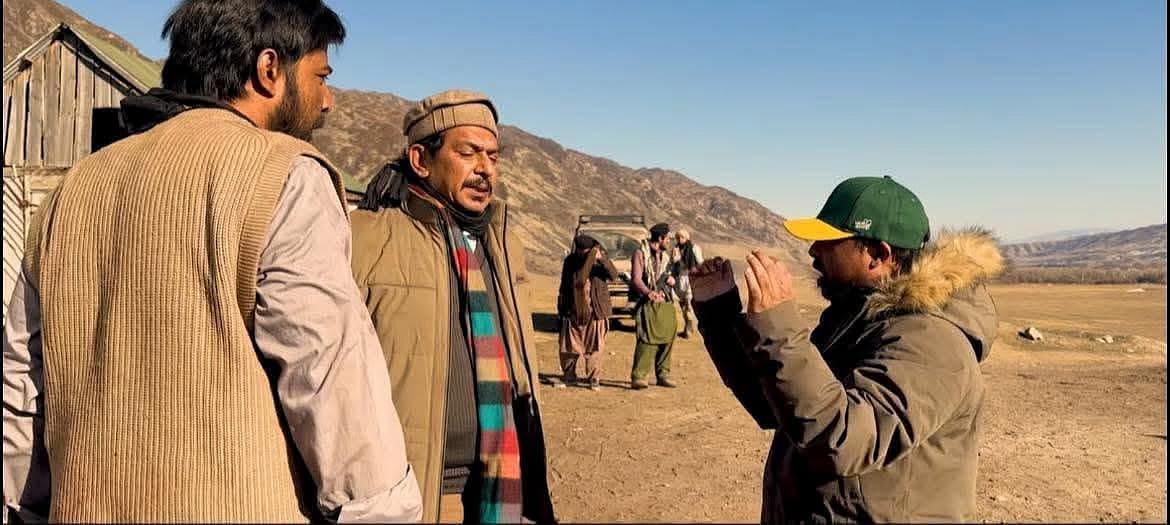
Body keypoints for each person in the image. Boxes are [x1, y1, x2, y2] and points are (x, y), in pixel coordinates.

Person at [1, 1, 421, 523]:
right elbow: (330, 373)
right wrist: (382, 511)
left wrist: (24, 511)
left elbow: (20, 391)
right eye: (321, 77)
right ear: (269, 70)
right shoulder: (284, 174)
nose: (328, 100)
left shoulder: (73, 190)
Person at [690, 176, 1002, 523]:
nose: (813, 251)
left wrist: (779, 329)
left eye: (830, 241)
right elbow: (780, 406)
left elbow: (844, 439)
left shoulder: (932, 340)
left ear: (878, 255)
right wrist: (719, 314)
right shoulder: (854, 318)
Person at [350, 90, 555, 524]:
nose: (485, 169)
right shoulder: (366, 239)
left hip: (498, 486)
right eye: (468, 153)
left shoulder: (503, 246)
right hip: (415, 491)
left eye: (493, 157)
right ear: (421, 160)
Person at [556, 234, 619, 390]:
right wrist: (562, 308)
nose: (582, 254)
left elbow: (614, 275)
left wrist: (601, 260)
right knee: (569, 346)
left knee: (595, 346)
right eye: (579, 251)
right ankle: (569, 376)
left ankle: (594, 378)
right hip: (573, 310)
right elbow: (564, 285)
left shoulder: (599, 261)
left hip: (596, 310)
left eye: (585, 252)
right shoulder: (570, 261)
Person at [628, 222, 680, 389]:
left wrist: (671, 280)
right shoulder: (640, 253)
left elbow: (668, 275)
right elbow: (636, 279)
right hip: (646, 302)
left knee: (669, 335)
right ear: (660, 238)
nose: (669, 241)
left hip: (664, 301)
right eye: (668, 238)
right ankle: (639, 376)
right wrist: (648, 293)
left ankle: (663, 373)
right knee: (647, 337)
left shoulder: (665, 256)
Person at [670, 228, 704, 338]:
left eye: (682, 237)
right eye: (678, 237)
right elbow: (673, 264)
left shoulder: (694, 248)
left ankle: (688, 330)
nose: (680, 239)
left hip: (691, 278)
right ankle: (688, 327)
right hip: (679, 279)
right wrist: (675, 258)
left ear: (687, 238)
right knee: (682, 305)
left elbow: (700, 263)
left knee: (689, 305)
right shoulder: (676, 249)